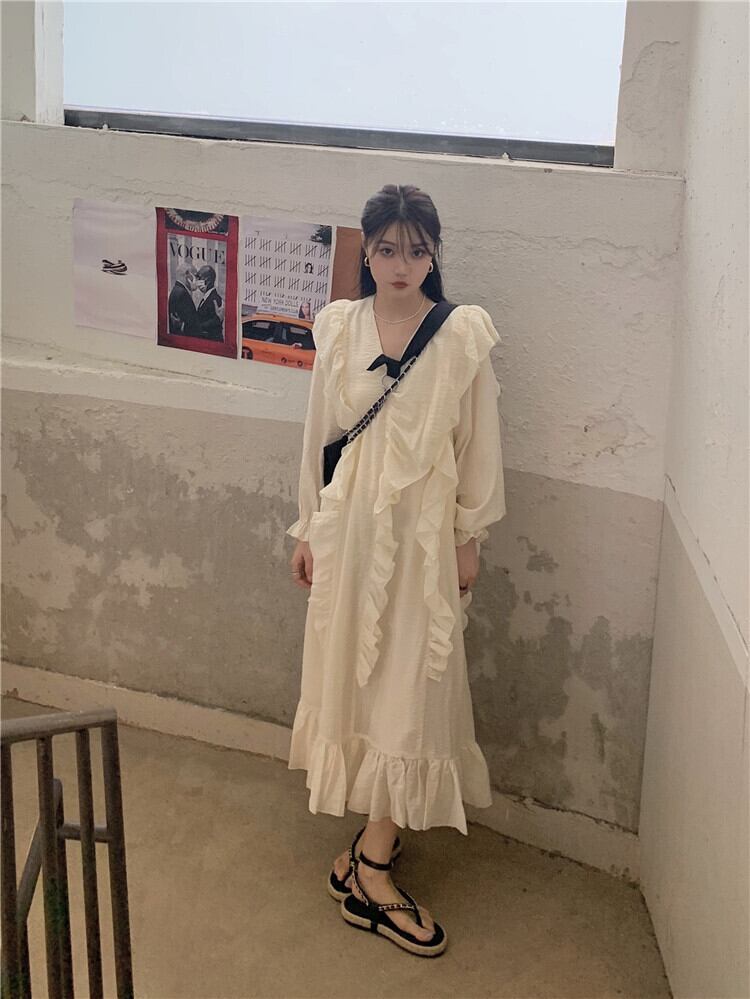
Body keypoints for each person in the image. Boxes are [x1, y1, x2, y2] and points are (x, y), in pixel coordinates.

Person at [286, 184, 506, 957]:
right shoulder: (341, 326)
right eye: (386, 248)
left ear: (434, 252)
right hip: (350, 532)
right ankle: (371, 862)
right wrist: (308, 527)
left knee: (411, 686)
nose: (401, 263)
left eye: (416, 249)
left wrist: (468, 536)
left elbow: (478, 443)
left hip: (422, 539)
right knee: (356, 677)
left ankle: (370, 863)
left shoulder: (462, 334)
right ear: (368, 251)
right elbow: (321, 434)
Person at [168, 263, 201, 335]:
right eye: (196, 276)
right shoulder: (182, 293)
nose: (197, 280)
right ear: (187, 274)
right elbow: (191, 324)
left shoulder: (177, 290)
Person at [195, 265, 224, 340]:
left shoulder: (215, 299)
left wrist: (196, 327)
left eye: (200, 278)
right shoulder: (206, 298)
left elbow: (214, 323)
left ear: (208, 280)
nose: (197, 282)